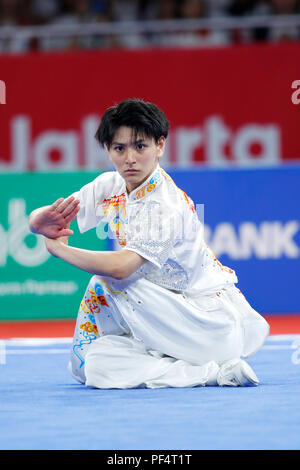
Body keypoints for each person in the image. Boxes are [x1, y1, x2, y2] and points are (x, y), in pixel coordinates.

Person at [28, 98, 269, 389]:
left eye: (140, 146)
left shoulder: (165, 203)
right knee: (90, 368)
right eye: (119, 148)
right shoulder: (110, 185)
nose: (130, 158)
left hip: (205, 323)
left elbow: (122, 267)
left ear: (160, 146)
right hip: (162, 317)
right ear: (108, 150)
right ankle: (209, 372)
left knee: (106, 282)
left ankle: (213, 369)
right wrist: (38, 223)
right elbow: (49, 215)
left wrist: (59, 249)